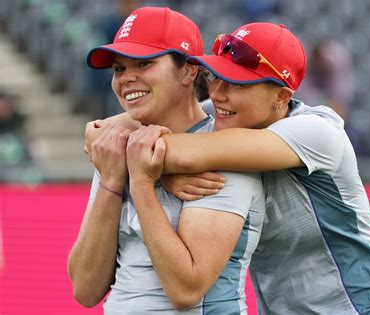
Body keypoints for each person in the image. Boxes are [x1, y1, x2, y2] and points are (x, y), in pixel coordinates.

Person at [86, 23, 370, 314]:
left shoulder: (317, 132)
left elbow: (181, 152)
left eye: (238, 84)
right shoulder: (232, 112)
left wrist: (153, 170)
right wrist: (146, 159)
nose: (218, 93)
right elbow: (101, 132)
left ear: (282, 96)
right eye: (215, 77)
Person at [67, 7, 265, 314]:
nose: (127, 79)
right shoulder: (118, 147)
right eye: (119, 69)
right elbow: (85, 288)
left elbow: (186, 291)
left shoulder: (224, 150)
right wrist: (111, 180)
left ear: (189, 70)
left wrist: (143, 182)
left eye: (144, 64)